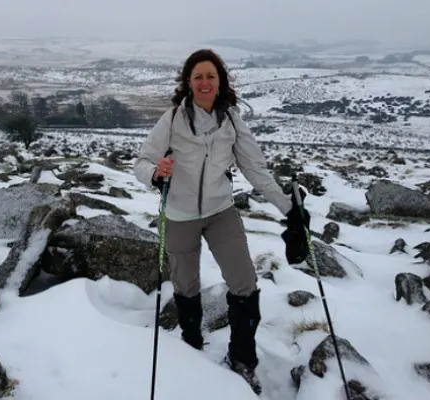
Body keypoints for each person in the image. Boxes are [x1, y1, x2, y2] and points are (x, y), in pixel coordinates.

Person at [133, 49, 310, 394]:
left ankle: (242, 359)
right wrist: (155, 173)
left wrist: (289, 209)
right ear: (188, 82)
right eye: (198, 76)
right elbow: (141, 162)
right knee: (186, 287)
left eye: (210, 76)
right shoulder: (171, 119)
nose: (204, 82)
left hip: (220, 212)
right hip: (180, 216)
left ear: (220, 82)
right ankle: (191, 344)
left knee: (245, 283)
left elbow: (255, 170)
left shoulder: (231, 121)